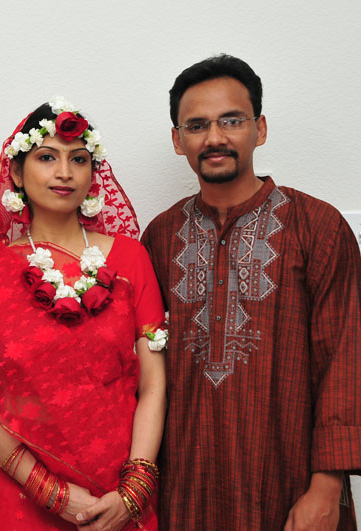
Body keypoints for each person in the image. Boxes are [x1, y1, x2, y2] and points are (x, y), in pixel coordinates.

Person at [0, 98, 167, 530]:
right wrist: (50, 492)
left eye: (78, 159)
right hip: (20, 495)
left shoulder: (129, 259)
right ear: (16, 172)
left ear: (93, 173)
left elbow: (154, 383)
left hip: (118, 492)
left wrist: (134, 490)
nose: (64, 172)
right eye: (47, 157)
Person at [141, 54, 361, 530]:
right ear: (178, 140)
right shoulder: (159, 237)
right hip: (187, 488)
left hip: (292, 488)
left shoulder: (318, 227)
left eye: (231, 120)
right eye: (197, 125)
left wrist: (327, 488)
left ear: (259, 129)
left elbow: (345, 359)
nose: (214, 137)